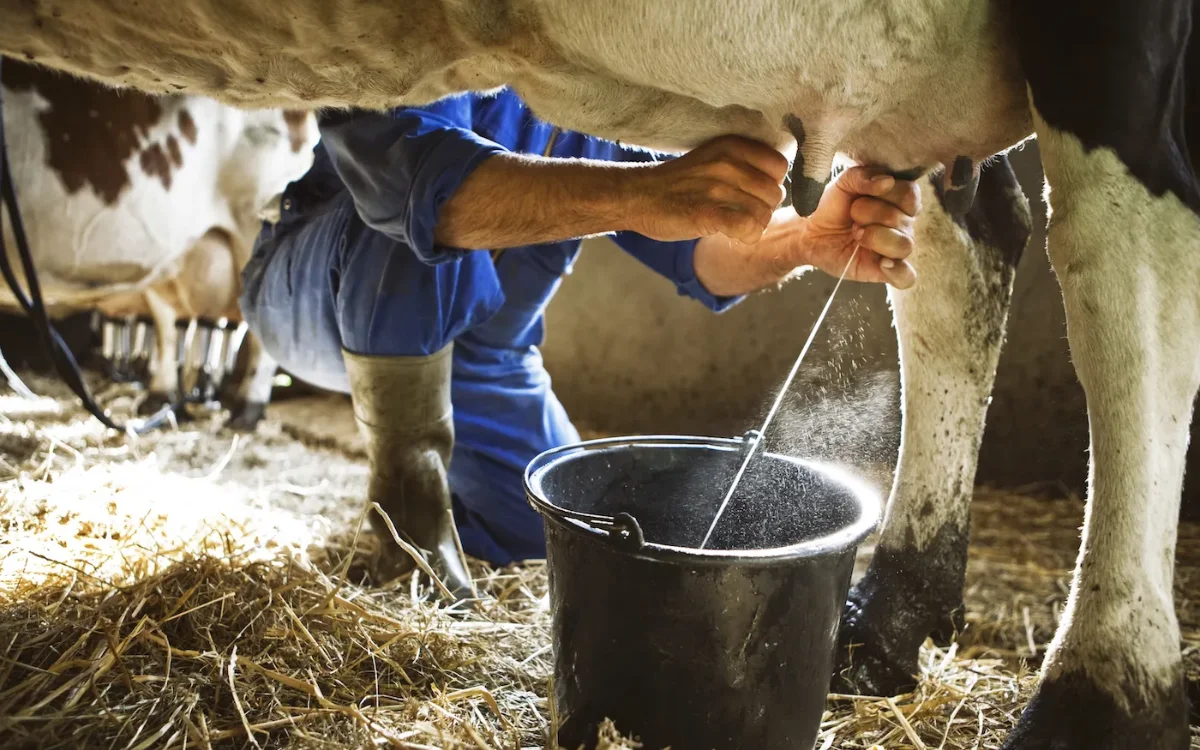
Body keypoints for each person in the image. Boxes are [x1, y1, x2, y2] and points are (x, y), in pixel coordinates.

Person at [240, 88, 921, 596]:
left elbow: (702, 252)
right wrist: (646, 194)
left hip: (485, 361)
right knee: (415, 222)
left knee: (560, 534)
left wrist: (803, 239)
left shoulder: (593, 87)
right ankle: (407, 528)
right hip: (315, 289)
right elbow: (420, 188)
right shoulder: (430, 37)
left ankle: (458, 507)